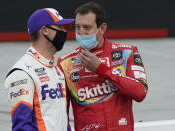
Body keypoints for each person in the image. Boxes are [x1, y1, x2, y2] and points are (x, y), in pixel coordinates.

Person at [57, 2, 148, 131]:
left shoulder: (126, 53)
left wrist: (102, 69)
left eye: (87, 27)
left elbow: (140, 92)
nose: (81, 33)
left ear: (102, 28)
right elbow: (60, 115)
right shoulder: (65, 63)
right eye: (78, 27)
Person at [4, 8, 74, 131]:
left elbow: (61, 119)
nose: (65, 32)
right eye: (60, 27)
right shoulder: (22, 72)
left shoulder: (57, 69)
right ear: (45, 30)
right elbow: (22, 126)